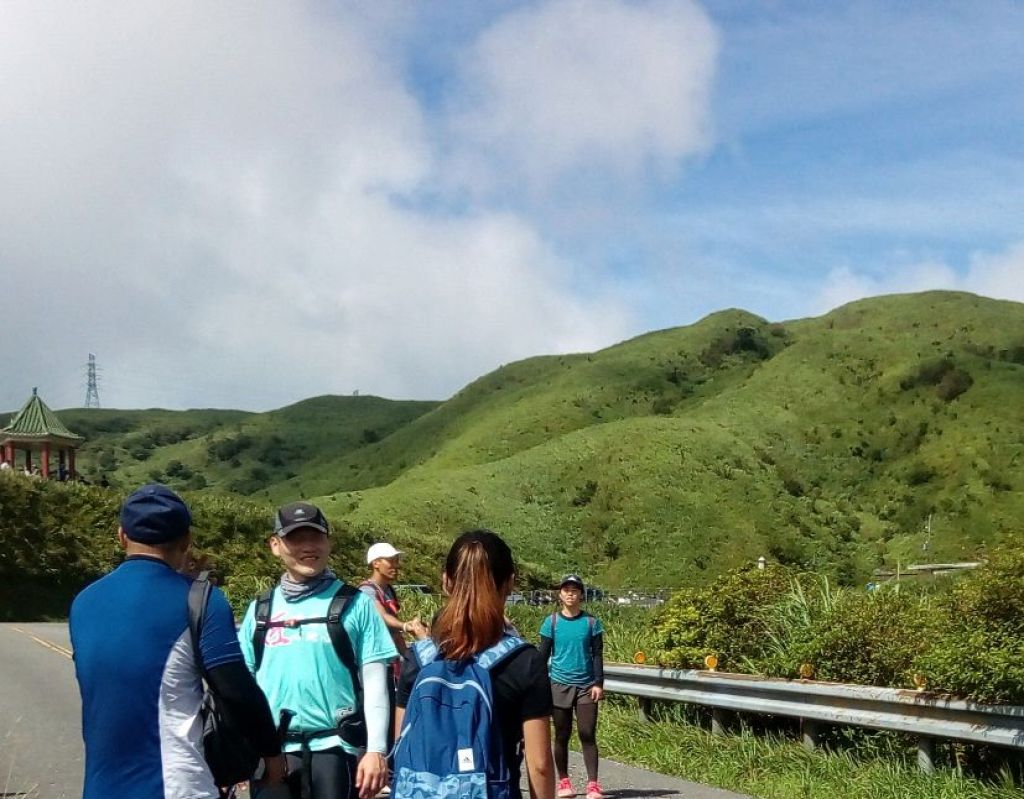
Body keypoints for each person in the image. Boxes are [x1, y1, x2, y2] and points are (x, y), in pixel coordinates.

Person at [69, 484, 287, 799]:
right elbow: (236, 690)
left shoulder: (83, 603)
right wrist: (270, 751)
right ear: (186, 542)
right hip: (176, 786)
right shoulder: (202, 600)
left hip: (101, 788)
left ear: (121, 536)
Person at [238, 502, 398, 799]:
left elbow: (376, 682)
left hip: (336, 750)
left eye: (316, 537)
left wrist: (376, 750)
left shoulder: (356, 604)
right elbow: (243, 687)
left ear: (329, 542)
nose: (308, 547)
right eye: (296, 538)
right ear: (275, 545)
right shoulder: (259, 611)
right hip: (274, 755)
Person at [395, 529, 554, 799]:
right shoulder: (524, 661)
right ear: (510, 584)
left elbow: (402, 742)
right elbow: (539, 766)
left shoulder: (419, 658)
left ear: (445, 582)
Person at [538, 575, 605, 799]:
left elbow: (597, 655)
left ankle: (593, 784)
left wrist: (598, 683)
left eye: (575, 590)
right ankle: (564, 781)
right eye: (566, 590)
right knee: (562, 735)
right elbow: (543, 655)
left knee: (587, 733)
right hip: (559, 684)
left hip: (586, 686)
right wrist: (538, 683)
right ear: (560, 595)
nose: (570, 594)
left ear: (581, 595)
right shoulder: (552, 622)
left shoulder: (592, 623)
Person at [360, 542, 428, 660]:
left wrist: (408, 657)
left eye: (396, 561)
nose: (396, 566)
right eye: (391, 561)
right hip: (374, 659)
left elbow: (394, 632)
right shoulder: (366, 591)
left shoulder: (389, 590)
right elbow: (382, 616)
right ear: (376, 563)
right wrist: (405, 625)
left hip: (390, 659)